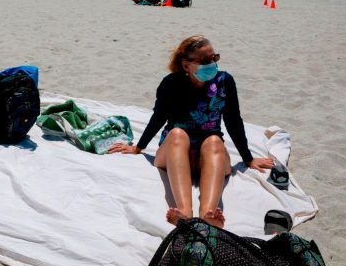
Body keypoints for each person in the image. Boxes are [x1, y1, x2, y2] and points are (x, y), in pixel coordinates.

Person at [108, 36, 274, 227]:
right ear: (186, 65)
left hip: (208, 156)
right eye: (204, 61)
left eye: (214, 58)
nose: (212, 64)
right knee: (177, 134)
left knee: (214, 140)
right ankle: (184, 211)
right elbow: (159, 117)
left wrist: (248, 159)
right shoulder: (171, 83)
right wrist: (138, 147)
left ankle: (208, 215)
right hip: (175, 153)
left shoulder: (224, 81)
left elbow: (233, 120)